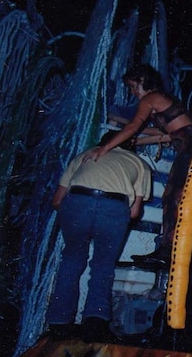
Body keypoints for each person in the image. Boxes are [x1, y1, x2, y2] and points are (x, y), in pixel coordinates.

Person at [89, 64, 192, 267]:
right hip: (191, 145)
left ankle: (168, 250)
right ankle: (168, 248)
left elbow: (135, 126)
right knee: (173, 197)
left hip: (191, 147)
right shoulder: (161, 100)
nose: (132, 92)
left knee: (173, 196)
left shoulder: (150, 98)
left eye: (133, 86)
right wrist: (133, 139)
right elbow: (163, 134)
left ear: (142, 81)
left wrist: (104, 148)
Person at [46, 130, 152, 342]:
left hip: (77, 202)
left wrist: (77, 212)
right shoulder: (139, 164)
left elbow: (57, 200)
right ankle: (94, 323)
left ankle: (58, 323)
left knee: (71, 260)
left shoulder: (84, 156)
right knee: (103, 265)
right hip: (114, 207)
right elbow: (134, 212)